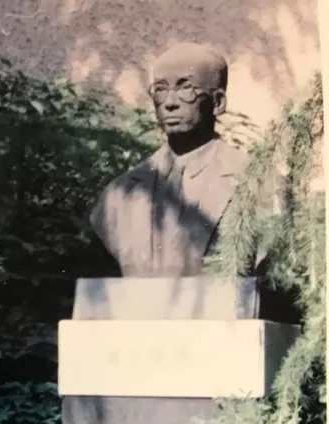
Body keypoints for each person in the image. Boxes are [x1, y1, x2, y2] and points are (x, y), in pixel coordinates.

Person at [90, 42, 246, 277]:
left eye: (186, 88)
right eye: (161, 89)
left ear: (217, 102)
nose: (170, 102)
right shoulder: (118, 196)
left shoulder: (256, 182)